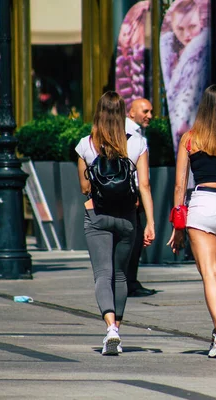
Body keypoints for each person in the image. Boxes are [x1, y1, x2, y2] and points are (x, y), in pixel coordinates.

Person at [75, 91, 155, 355]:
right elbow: (144, 185)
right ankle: (117, 330)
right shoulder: (137, 143)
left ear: (99, 113)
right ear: (123, 114)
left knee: (102, 274)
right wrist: (150, 222)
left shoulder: (86, 144)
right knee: (121, 275)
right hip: (127, 217)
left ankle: (109, 327)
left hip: (97, 215)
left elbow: (85, 187)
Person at [167, 84, 216, 358]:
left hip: (203, 203)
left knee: (209, 273)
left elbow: (179, 185)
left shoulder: (191, 139)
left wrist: (178, 224)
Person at [160, 0, 210, 153]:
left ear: (200, 22)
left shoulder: (202, 52)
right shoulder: (171, 52)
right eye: (180, 28)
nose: (187, 35)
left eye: (192, 27)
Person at [125, 98, 157, 297]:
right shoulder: (134, 137)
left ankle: (129, 281)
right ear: (131, 112)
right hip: (132, 193)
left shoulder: (138, 134)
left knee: (134, 240)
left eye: (150, 111)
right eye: (145, 111)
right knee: (133, 239)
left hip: (132, 193)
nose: (150, 116)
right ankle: (129, 283)